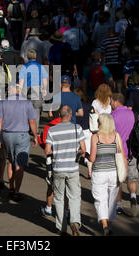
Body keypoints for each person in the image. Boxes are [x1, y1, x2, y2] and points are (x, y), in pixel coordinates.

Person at [45, 106, 86, 236]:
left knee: (58, 198)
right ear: (70, 115)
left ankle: (61, 227)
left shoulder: (52, 130)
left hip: (58, 168)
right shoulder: (77, 128)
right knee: (74, 197)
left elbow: (47, 151)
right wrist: (77, 151)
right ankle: (74, 221)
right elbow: (83, 150)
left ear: (60, 115)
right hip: (72, 168)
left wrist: (56, 151)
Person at [0, 83, 38, 202]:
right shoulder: (27, 103)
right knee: (19, 164)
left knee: (10, 161)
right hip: (22, 135)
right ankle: (17, 191)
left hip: (7, 135)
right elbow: (32, 121)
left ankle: (11, 187)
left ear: (11, 91)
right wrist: (35, 135)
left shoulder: (3, 103)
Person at [88, 113, 128, 236]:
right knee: (112, 201)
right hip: (113, 173)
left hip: (99, 172)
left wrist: (86, 156)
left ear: (102, 123)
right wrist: (125, 172)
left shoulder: (96, 137)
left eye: (99, 122)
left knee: (100, 199)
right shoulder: (116, 136)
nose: (97, 124)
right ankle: (109, 225)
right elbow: (122, 156)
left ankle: (105, 225)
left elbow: (93, 158)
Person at [110, 93, 138, 216]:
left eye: (111, 101)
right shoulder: (133, 114)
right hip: (132, 151)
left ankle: (119, 205)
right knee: (132, 178)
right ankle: (133, 197)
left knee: (118, 180)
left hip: (118, 152)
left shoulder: (112, 116)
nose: (110, 104)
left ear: (116, 101)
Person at [38, 109, 62, 218]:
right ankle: (65, 211)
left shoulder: (49, 127)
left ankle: (49, 208)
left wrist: (39, 139)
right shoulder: (71, 127)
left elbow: (44, 145)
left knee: (51, 185)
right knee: (65, 187)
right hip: (67, 161)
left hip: (52, 160)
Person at [18, 49, 49, 129]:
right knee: (37, 110)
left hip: (27, 90)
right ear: (36, 56)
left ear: (28, 57)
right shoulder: (40, 67)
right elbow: (45, 79)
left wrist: (20, 92)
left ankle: (27, 128)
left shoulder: (24, 67)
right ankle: (35, 129)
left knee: (27, 110)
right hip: (38, 90)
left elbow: (21, 81)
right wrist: (45, 89)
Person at [74, 88, 94, 178]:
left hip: (76, 131)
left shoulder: (73, 107)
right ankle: (90, 171)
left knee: (75, 152)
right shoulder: (89, 106)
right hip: (87, 131)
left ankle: (75, 171)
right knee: (88, 153)